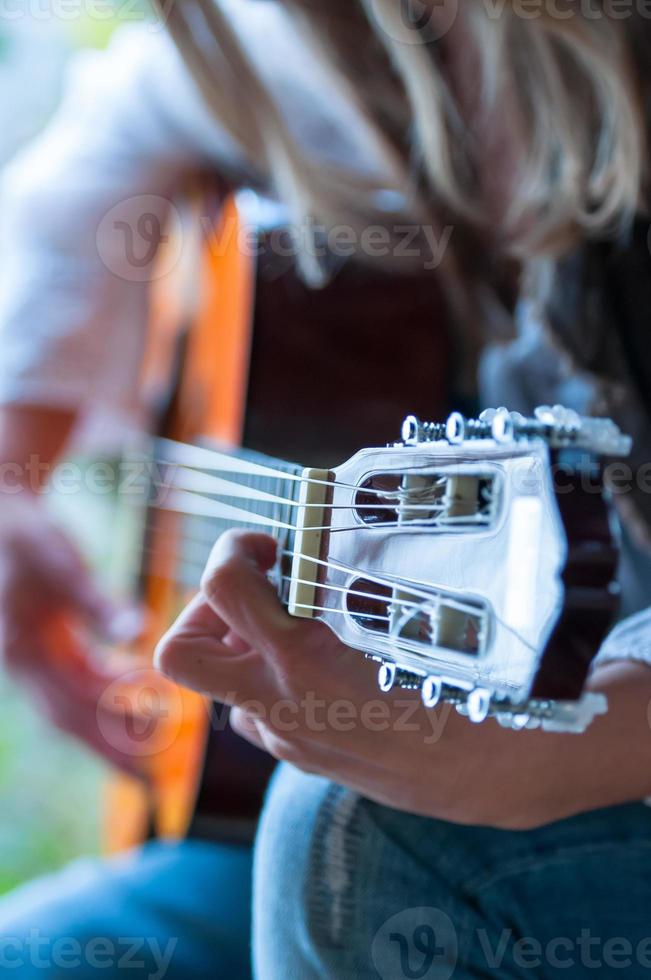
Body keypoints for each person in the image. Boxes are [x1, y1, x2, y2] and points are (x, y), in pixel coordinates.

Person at [2, 1, 651, 977]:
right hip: (388, 804)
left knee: (356, 833)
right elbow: (121, 119)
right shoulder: (341, 40)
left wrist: (559, 750)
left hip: (539, 810)